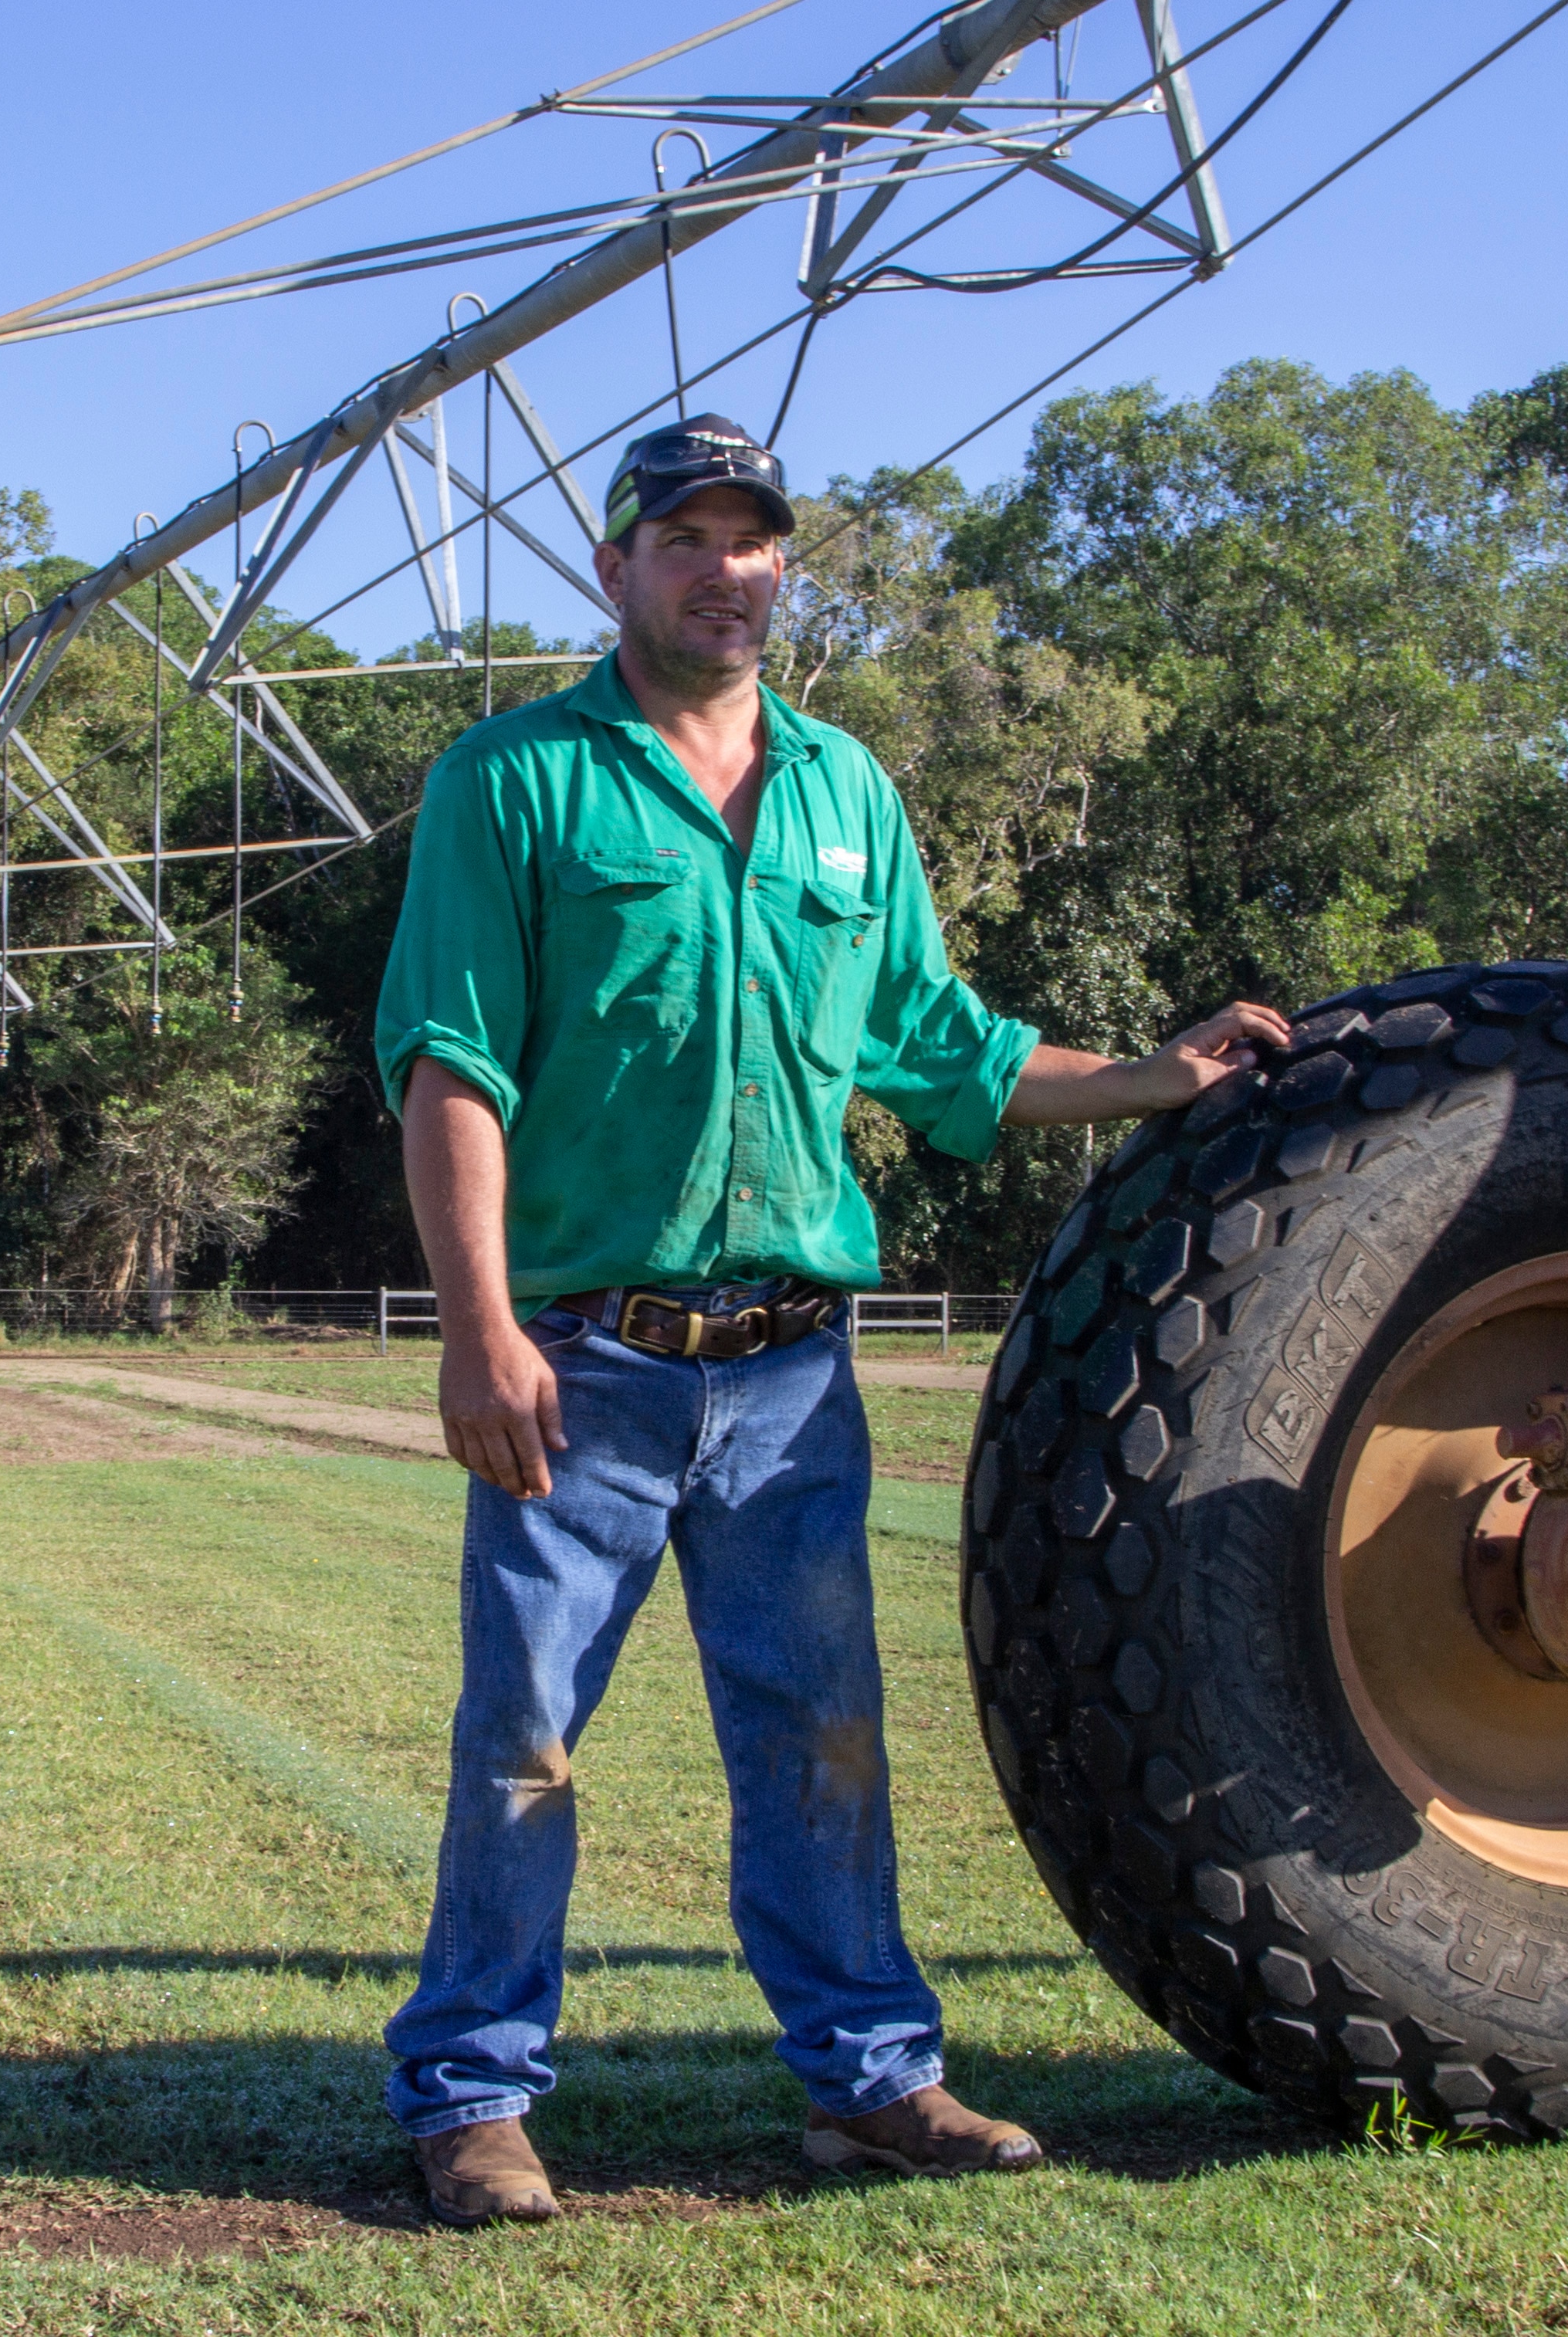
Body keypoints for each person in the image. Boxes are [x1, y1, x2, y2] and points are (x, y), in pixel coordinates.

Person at [369, 412, 1292, 2227]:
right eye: (684, 539)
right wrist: (479, 1330)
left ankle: (868, 2081)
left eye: (751, 539)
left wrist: (1152, 1075)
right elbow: (449, 1063)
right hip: (585, 1362)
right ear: (616, 567)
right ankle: (469, 2091)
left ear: (781, 564)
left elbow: (940, 1047)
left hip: (791, 1376)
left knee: (822, 1737)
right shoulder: (514, 778)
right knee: (523, 1735)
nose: (725, 570)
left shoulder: (843, 792)